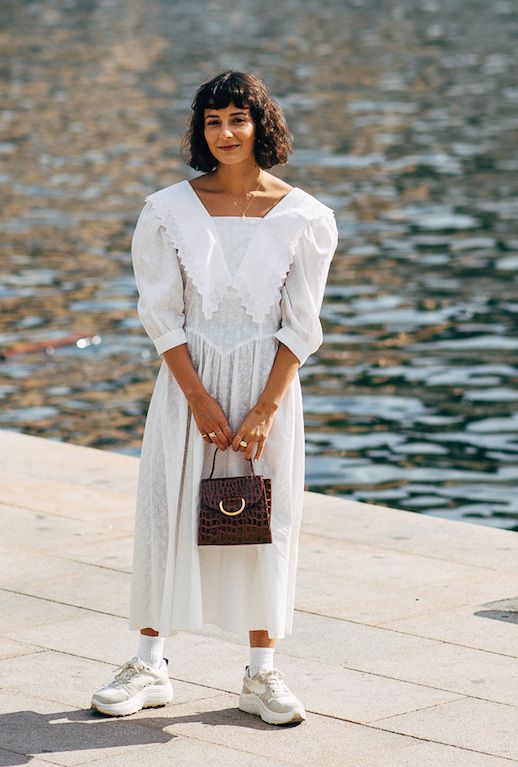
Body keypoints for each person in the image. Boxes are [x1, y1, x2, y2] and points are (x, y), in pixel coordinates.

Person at [91, 69, 338, 726]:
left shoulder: (305, 216)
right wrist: (197, 396)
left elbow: (301, 324)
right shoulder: (167, 210)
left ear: (262, 125)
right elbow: (161, 314)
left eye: (237, 118)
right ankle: (148, 662)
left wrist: (264, 409)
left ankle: (262, 673)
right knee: (166, 513)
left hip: (269, 389)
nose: (225, 132)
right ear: (201, 131)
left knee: (264, 522)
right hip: (185, 383)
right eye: (212, 120)